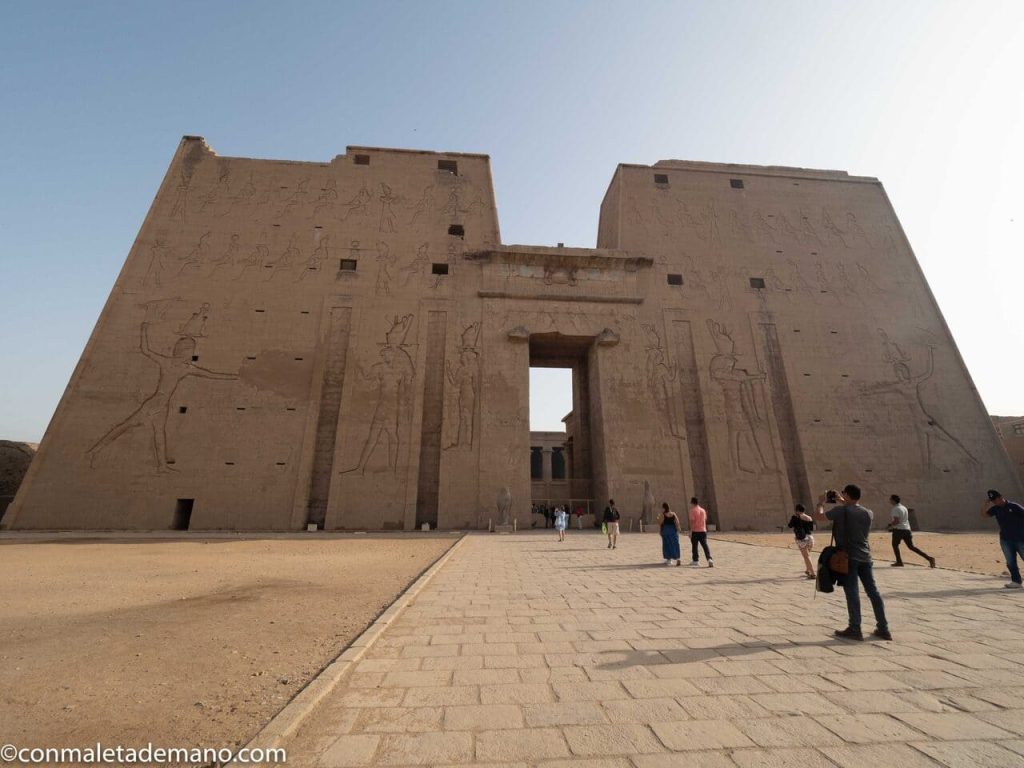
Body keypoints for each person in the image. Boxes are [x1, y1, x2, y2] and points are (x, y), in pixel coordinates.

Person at [814, 485, 892, 641]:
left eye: (843, 494)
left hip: (848, 557)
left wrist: (820, 503)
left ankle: (855, 628)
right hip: (865, 557)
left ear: (847, 495)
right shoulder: (868, 513)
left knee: (852, 592)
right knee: (873, 592)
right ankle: (883, 628)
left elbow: (819, 517)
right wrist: (842, 500)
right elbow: (852, 509)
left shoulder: (840, 511)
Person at [981, 489, 1024, 589]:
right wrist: (985, 505)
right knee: (1010, 561)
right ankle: (1016, 581)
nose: (995, 502)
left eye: (996, 500)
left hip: (1020, 538)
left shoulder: (1014, 506)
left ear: (1001, 497)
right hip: (1005, 540)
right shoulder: (996, 509)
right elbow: (984, 515)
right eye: (993, 501)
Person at [888, 494, 935, 568]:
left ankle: (899, 561)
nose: (889, 501)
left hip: (899, 530)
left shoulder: (895, 509)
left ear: (893, 500)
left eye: (890, 499)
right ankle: (929, 558)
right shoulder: (903, 507)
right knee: (911, 547)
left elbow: (896, 520)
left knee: (895, 545)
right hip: (907, 529)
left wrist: (890, 525)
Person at [788, 504, 816, 578]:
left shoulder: (795, 517)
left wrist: (794, 518)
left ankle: (813, 574)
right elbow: (812, 529)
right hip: (810, 538)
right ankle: (807, 570)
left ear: (797, 510)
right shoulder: (809, 517)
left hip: (802, 539)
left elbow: (790, 525)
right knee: (807, 556)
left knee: (806, 557)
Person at [688, 497, 713, 567]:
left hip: (695, 531)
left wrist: (690, 531)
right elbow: (705, 519)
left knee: (694, 546)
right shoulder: (703, 510)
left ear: (692, 503)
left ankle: (695, 561)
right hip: (703, 530)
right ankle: (709, 559)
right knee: (705, 545)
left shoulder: (692, 510)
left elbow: (692, 522)